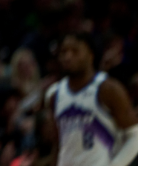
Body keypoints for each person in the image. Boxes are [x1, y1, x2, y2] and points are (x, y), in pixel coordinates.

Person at [45, 32, 138, 165]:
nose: (67, 56)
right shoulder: (54, 95)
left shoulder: (107, 89)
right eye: (63, 52)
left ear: (91, 55)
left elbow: (136, 135)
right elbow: (58, 145)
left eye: (75, 51)